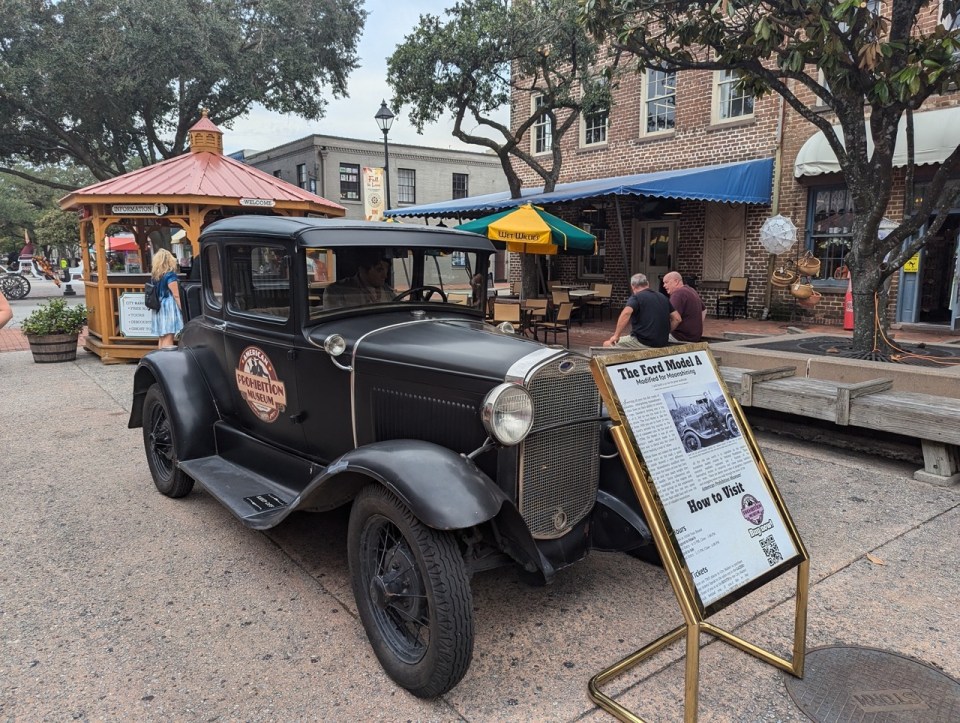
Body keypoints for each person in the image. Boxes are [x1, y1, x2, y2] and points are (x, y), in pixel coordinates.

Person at [603, 272, 671, 348]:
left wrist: (616, 335)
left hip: (643, 341)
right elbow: (677, 318)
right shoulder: (663, 297)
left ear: (633, 286)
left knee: (607, 344)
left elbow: (626, 313)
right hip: (663, 342)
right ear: (647, 284)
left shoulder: (636, 297)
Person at [323, 250, 395, 309]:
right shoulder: (337, 292)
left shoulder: (388, 291)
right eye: (379, 270)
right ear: (363, 270)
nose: (385, 276)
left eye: (387, 270)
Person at [149, 248, 183, 348]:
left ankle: (159, 360)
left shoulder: (155, 276)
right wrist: (183, 310)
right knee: (168, 336)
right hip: (168, 308)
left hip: (159, 306)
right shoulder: (170, 276)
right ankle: (167, 361)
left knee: (162, 337)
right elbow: (176, 295)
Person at [662, 271, 706, 343]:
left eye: (666, 282)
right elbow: (704, 310)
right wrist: (696, 326)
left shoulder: (678, 294)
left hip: (680, 337)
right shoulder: (691, 290)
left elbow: (675, 319)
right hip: (695, 337)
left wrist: (666, 332)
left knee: (651, 338)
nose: (664, 285)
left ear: (676, 281)